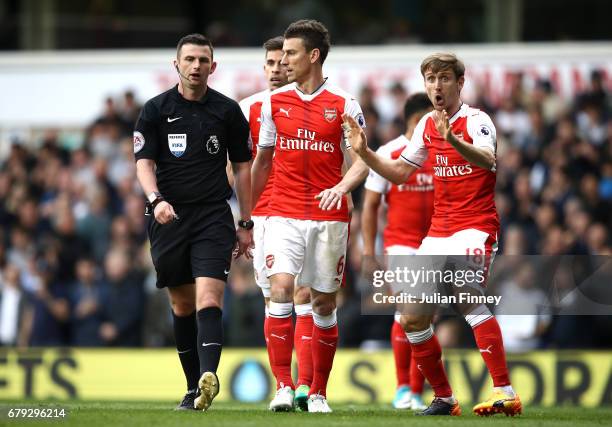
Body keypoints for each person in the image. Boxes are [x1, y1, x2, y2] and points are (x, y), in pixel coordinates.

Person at [344, 52, 521, 417]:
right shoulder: (426, 124)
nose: (436, 85)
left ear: (459, 82)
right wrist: (365, 152)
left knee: (467, 294)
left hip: (475, 226)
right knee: (410, 317)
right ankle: (444, 398)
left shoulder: (477, 120)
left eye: (443, 78)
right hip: (439, 231)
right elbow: (398, 172)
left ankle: (505, 390)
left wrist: (453, 140)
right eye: (430, 79)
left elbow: (488, 160)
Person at [251, 19, 368, 413]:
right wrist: (252, 217)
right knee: (281, 288)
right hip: (282, 212)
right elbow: (262, 162)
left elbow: (361, 162)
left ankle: (316, 391)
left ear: (313, 56)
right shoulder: (273, 102)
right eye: (282, 53)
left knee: (321, 304)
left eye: (291, 53)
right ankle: (283, 387)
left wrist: (341, 187)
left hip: (328, 217)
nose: (283, 60)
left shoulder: (345, 104)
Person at [134, 33, 253, 412]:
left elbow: (243, 167)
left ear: (213, 67)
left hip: (213, 216)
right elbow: (143, 163)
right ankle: (192, 388)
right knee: (182, 305)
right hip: (168, 217)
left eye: (203, 60)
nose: (197, 66)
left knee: (209, 297)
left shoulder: (227, 111)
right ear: (177, 64)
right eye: (190, 59)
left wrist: (246, 222)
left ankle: (209, 378)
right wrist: (156, 200)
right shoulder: (155, 110)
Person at [238, 36, 314, 411]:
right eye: (269, 63)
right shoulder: (246, 109)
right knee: (275, 299)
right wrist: (245, 217)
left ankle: (307, 385)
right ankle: (285, 384)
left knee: (304, 294)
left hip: (303, 212)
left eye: (282, 62)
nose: (276, 69)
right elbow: (235, 168)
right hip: (264, 216)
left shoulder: (310, 106)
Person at [361, 93, 433, 411]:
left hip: (436, 244)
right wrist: (368, 249)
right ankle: (403, 386)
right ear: (416, 121)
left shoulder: (441, 152)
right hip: (400, 243)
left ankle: (416, 391)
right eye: (431, 118)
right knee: (406, 312)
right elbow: (371, 205)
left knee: (425, 318)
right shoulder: (389, 153)